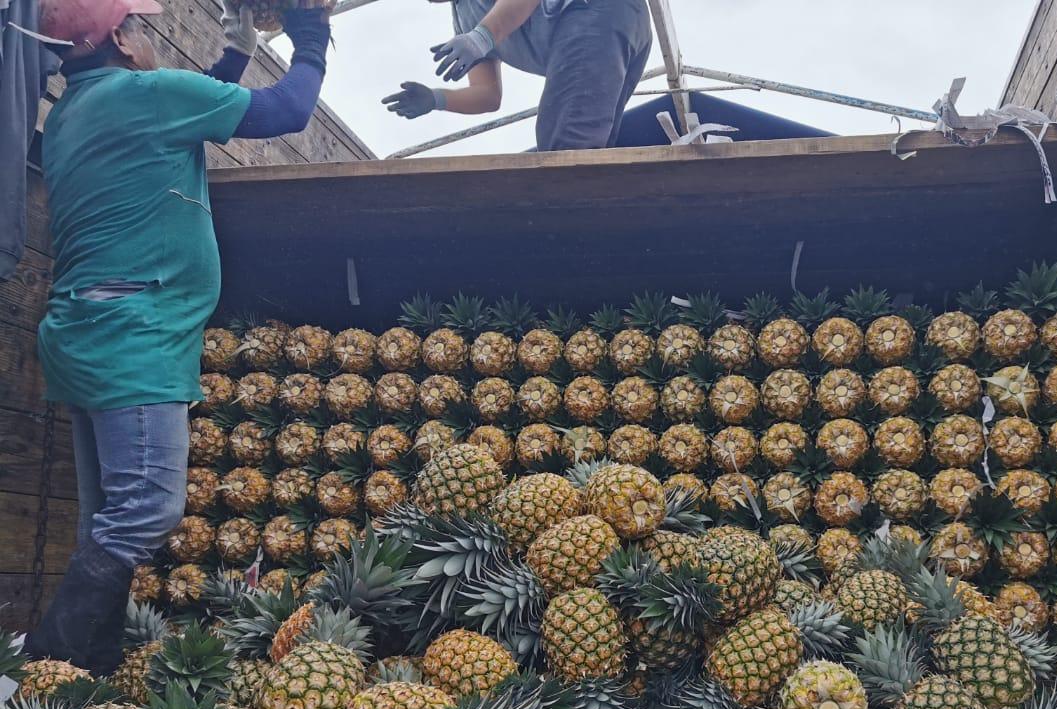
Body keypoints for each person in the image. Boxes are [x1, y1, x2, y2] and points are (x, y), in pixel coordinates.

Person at [25, 0, 333, 674]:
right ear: (123, 43)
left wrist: (237, 50)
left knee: (105, 516)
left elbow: (191, 106)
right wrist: (311, 33)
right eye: (140, 26)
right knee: (146, 511)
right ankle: (40, 660)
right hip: (133, 335)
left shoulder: (83, 105)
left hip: (86, 332)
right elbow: (288, 114)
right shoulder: (148, 95)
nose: (147, 34)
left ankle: (89, 670)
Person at [383, 0, 652, 151]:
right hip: (608, 32)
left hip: (596, 13)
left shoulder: (473, 29)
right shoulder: (463, 16)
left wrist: (481, 37)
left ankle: (572, 242)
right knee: (587, 151)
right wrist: (437, 99)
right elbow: (488, 94)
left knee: (565, 150)